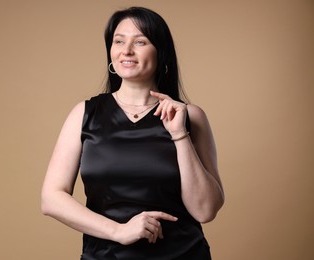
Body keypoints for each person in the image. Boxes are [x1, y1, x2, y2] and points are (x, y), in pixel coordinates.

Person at [41, 6, 224, 260]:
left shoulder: (190, 117)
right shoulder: (85, 114)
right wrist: (119, 231)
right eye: (119, 41)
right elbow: (51, 198)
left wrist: (179, 134)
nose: (126, 50)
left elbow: (205, 210)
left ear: (161, 53)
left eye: (140, 41)